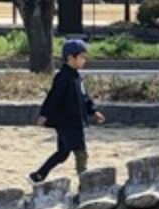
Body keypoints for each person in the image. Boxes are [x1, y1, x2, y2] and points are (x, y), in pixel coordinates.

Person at [28, 39, 105, 183]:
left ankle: (38, 175)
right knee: (81, 152)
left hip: (75, 121)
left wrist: (93, 111)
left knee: (62, 153)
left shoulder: (77, 77)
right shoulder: (62, 77)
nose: (84, 60)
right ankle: (84, 180)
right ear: (71, 58)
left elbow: (85, 97)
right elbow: (53, 97)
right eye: (81, 57)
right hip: (67, 122)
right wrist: (44, 115)